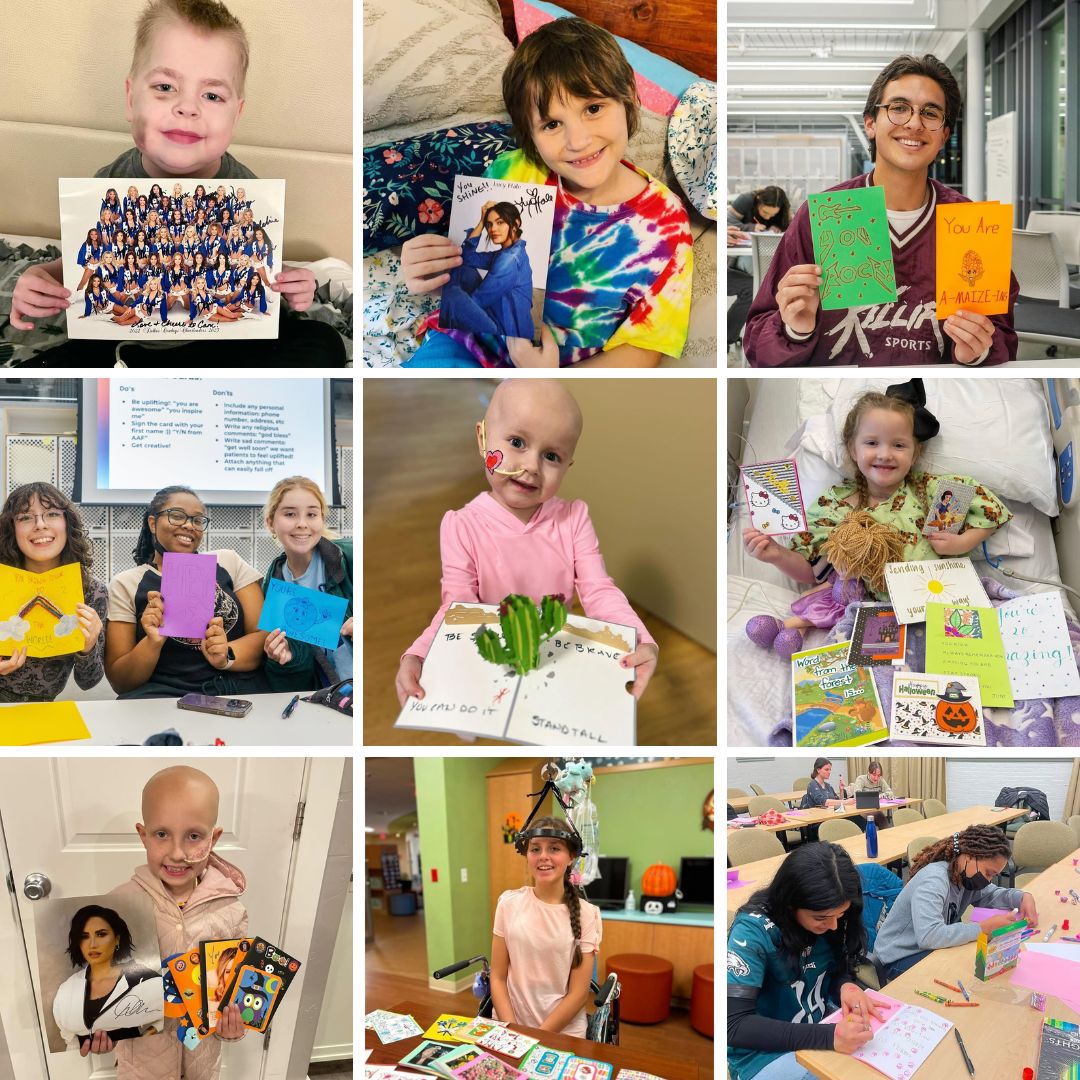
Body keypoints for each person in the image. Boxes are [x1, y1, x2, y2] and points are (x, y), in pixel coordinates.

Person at [8, 0, 345, 367]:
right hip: (125, 340)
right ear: (130, 99)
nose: (187, 107)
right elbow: (86, 264)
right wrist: (43, 276)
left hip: (221, 342)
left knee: (322, 341)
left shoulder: (246, 192)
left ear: (236, 114)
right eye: (165, 86)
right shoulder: (108, 185)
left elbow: (262, 271)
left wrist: (297, 284)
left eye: (212, 95)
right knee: (46, 372)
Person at [399, 16, 693, 368]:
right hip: (466, 348)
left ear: (629, 95)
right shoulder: (514, 173)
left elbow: (645, 346)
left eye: (593, 108)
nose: (579, 141)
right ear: (530, 133)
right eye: (552, 124)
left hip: (563, 379)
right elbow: (472, 276)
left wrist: (546, 378)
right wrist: (432, 272)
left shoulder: (667, 224)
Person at [395, 380, 659, 704]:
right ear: (482, 438)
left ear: (567, 466)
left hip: (553, 661)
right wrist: (420, 654)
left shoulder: (574, 519)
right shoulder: (460, 525)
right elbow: (458, 608)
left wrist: (639, 639)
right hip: (488, 660)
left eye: (551, 456)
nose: (531, 467)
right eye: (517, 442)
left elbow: (598, 590)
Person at [743, 54, 1019, 365]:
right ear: (871, 123)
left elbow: (1003, 336)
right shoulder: (823, 217)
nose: (914, 123)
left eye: (930, 113)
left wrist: (978, 351)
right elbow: (757, 342)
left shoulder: (972, 227)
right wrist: (796, 328)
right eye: (899, 108)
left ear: (943, 135)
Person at [743, 382, 1011, 611]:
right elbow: (811, 572)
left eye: (898, 445)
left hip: (939, 606)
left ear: (915, 453)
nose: (884, 454)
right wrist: (775, 555)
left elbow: (992, 512)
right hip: (870, 617)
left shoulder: (932, 493)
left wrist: (961, 543)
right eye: (872, 443)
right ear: (853, 449)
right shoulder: (834, 505)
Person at [84, 766, 249, 1075]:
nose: (177, 853)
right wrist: (98, 1027)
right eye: (162, 834)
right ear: (143, 836)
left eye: (194, 836)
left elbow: (233, 993)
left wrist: (234, 1027)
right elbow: (100, 986)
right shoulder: (118, 908)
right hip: (142, 1066)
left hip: (201, 1063)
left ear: (213, 839)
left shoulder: (231, 910)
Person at [728, 843, 889, 1080]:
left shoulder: (831, 919)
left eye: (840, 915)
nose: (833, 925)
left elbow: (836, 970)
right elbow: (733, 1025)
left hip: (820, 1023)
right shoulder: (754, 932)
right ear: (790, 903)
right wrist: (828, 1036)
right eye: (821, 917)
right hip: (763, 1053)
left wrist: (846, 985)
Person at [104, 485, 268, 698]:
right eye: (177, 516)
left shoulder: (228, 561)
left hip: (238, 690)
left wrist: (225, 654)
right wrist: (152, 641)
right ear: (153, 523)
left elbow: (262, 634)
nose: (189, 525)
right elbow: (121, 682)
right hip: (166, 695)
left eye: (197, 520)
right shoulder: (126, 583)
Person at [871, 825, 1039, 982]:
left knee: (974, 965)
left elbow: (993, 894)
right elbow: (929, 936)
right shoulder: (934, 880)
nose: (988, 881)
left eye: (993, 875)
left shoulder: (965, 876)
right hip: (897, 957)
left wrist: (1022, 897)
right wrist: (983, 928)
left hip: (928, 947)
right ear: (967, 855)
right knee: (961, 975)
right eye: (988, 873)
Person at [490, 816, 601, 1036]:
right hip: (509, 1027)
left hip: (563, 1033)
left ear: (571, 857)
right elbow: (498, 977)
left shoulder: (587, 914)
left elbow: (578, 995)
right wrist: (513, 1031)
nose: (543, 857)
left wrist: (537, 1036)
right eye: (535, 849)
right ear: (527, 855)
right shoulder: (508, 904)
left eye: (554, 848)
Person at [0, 482, 106, 702]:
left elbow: (89, 681)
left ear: (68, 523)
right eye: (25, 517)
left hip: (45, 712)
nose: (40, 525)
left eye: (52, 514)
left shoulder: (91, 591)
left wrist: (88, 647)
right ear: (12, 529)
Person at [261, 476, 353, 690]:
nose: (302, 523)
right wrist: (286, 659)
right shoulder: (274, 584)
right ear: (270, 522)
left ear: (321, 520)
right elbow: (295, 681)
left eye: (311, 514)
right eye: (290, 514)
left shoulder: (350, 556)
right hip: (333, 697)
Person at [52, 905, 162, 1054]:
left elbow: (172, 1016)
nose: (92, 944)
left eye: (101, 934)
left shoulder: (142, 978)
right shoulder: (67, 989)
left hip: (138, 1060)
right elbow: (69, 1039)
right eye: (84, 936)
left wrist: (149, 1032)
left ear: (117, 939)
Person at [440, 201, 535, 339]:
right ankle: (450, 317)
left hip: (506, 332)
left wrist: (460, 306)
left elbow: (479, 299)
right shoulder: (505, 252)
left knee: (452, 296)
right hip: (495, 314)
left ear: (516, 224)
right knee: (463, 269)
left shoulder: (510, 259)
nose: (492, 229)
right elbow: (466, 257)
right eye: (489, 224)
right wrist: (481, 221)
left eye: (500, 222)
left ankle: (448, 329)